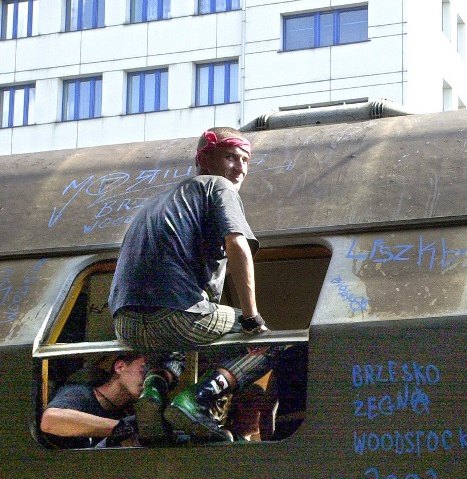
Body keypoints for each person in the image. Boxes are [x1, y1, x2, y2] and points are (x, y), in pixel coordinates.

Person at [108, 127, 284, 444]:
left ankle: (153, 391)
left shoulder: (157, 202)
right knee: (271, 343)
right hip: (178, 316)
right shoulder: (218, 187)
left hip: (126, 324)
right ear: (204, 158)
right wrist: (252, 318)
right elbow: (237, 245)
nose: (240, 168)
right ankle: (195, 400)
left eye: (245, 160)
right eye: (231, 157)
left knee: (171, 342)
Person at [40, 353, 146, 448]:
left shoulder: (125, 414)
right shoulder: (80, 393)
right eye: (143, 371)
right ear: (120, 367)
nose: (147, 380)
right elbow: (50, 419)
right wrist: (119, 428)